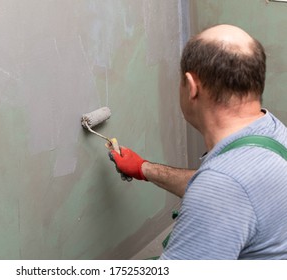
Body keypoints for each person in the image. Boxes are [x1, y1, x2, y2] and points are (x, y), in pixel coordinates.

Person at [108, 24, 287, 259]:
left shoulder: (221, 189)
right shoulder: (272, 132)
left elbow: (222, 190)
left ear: (191, 87)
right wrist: (145, 169)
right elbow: (228, 187)